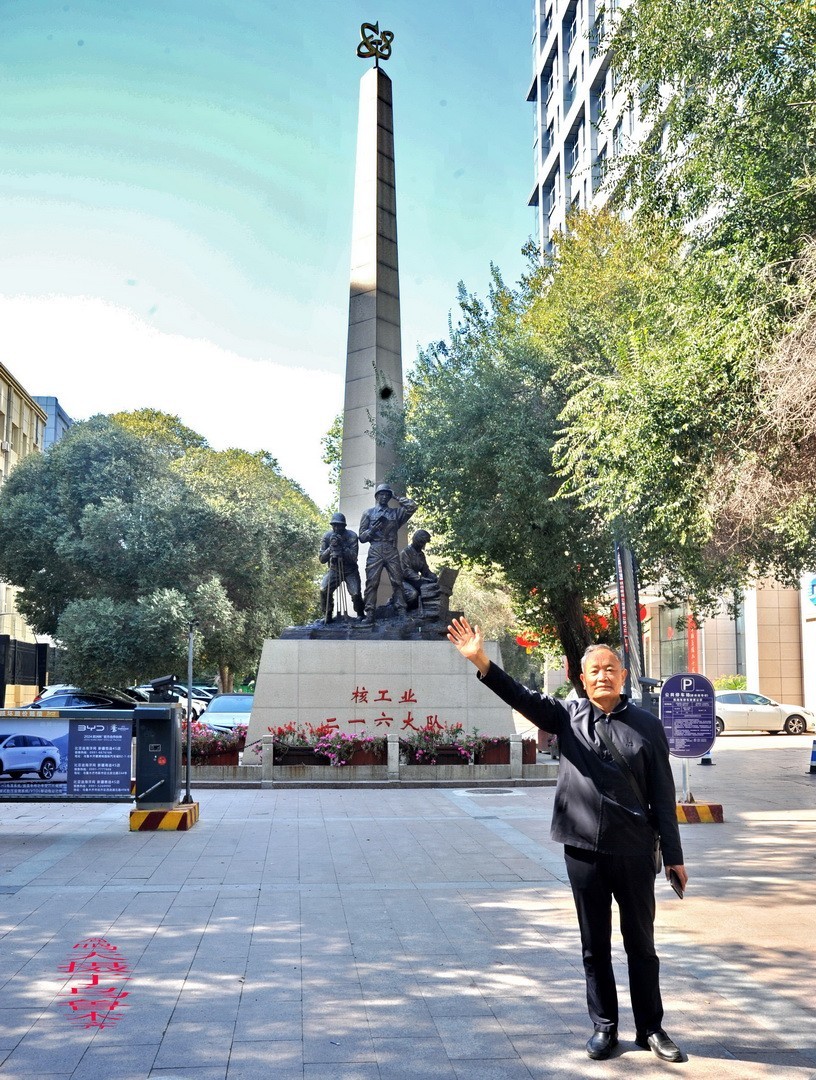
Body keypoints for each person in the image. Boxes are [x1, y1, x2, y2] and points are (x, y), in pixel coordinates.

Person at [446, 617, 687, 1063]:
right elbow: (520, 695)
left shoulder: (647, 726)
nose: (603, 676)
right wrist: (481, 660)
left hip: (635, 850)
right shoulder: (567, 717)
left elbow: (662, 792)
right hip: (584, 850)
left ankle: (651, 1028)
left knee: (641, 945)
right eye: (595, 670)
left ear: (623, 675)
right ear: (582, 678)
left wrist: (673, 856)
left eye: (610, 669)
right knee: (594, 946)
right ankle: (604, 1027)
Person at [358, 484, 417, 624]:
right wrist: (372, 531)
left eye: (387, 495)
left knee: (397, 581)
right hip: (375, 549)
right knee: (372, 582)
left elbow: (412, 506)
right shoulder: (368, 513)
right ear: (376, 496)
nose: (384, 497)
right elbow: (362, 538)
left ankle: (401, 611)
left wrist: (397, 497)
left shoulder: (396, 513)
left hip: (391, 549)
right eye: (381, 494)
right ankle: (370, 613)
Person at [318, 513, 365, 622]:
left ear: (344, 526)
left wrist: (342, 545)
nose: (336, 528)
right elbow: (322, 559)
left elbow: (353, 558)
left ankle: (360, 613)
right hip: (334, 570)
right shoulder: (327, 536)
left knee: (356, 593)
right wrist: (331, 547)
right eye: (334, 525)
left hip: (350, 571)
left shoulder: (352, 536)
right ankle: (327, 614)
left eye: (339, 525)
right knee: (323, 589)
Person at [400, 529, 438, 609]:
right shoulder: (405, 552)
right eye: (422, 542)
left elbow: (426, 571)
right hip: (404, 582)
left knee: (432, 589)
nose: (423, 545)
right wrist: (420, 578)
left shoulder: (421, 555)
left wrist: (433, 577)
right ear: (417, 541)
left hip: (416, 582)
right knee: (413, 594)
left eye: (424, 543)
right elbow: (406, 571)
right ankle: (402, 609)